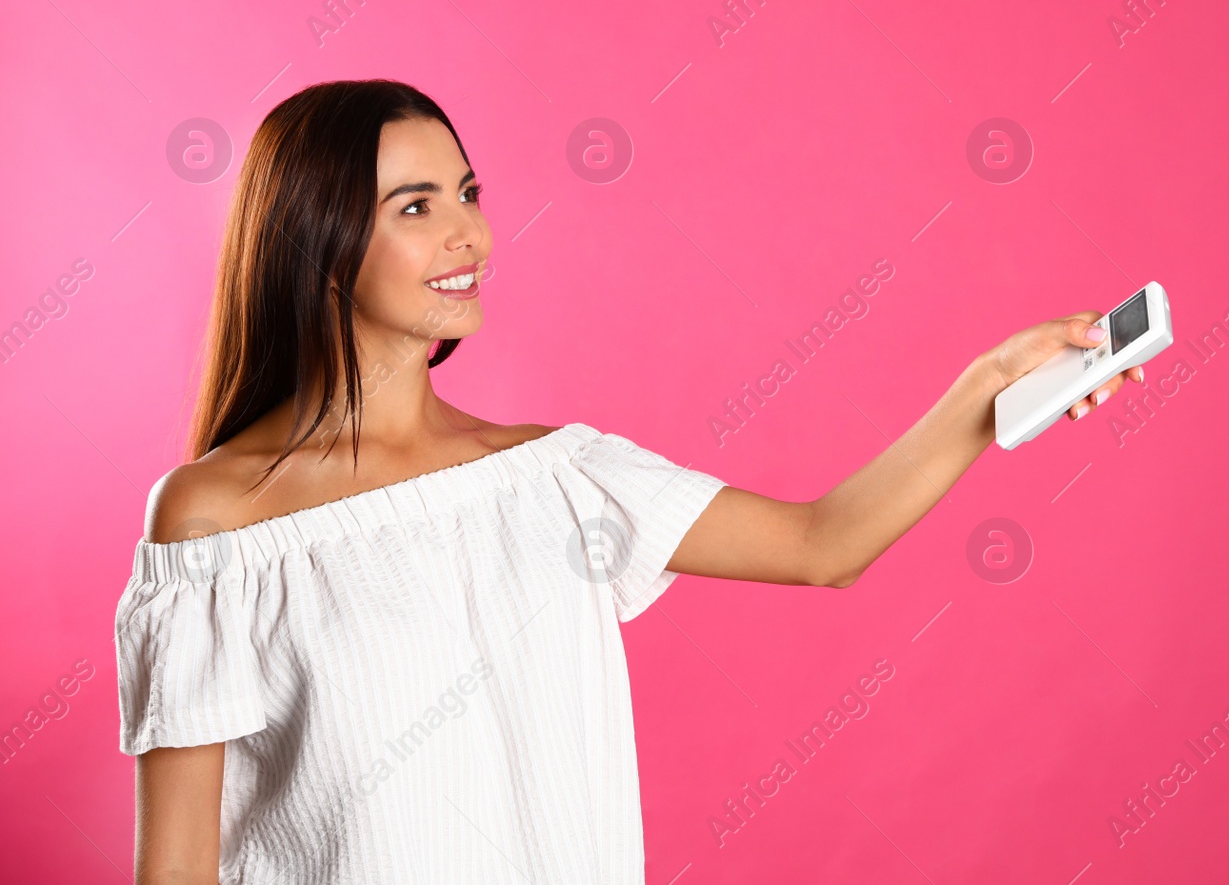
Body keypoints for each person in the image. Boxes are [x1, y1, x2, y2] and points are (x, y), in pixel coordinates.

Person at [115, 79, 1140, 884]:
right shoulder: (217, 520)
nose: (466, 231)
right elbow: (176, 864)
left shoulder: (558, 478)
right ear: (319, 244)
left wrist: (984, 387)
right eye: (416, 206)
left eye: (468, 192)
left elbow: (821, 542)